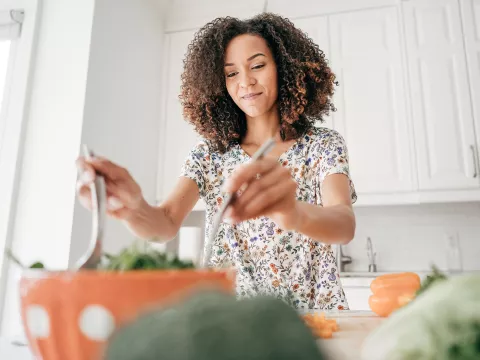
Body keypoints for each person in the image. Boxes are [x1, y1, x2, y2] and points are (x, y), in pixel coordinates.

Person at [76, 13, 357, 310]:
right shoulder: (209, 155)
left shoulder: (323, 145)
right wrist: (132, 207)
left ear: (285, 69)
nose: (246, 82)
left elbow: (344, 224)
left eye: (258, 66)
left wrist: (293, 214)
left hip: (314, 320)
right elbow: (165, 223)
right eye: (231, 73)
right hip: (231, 321)